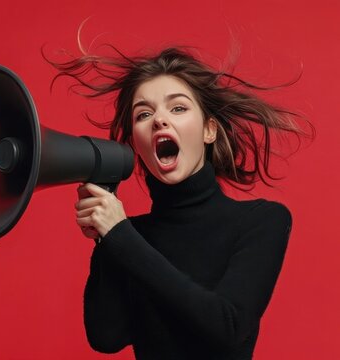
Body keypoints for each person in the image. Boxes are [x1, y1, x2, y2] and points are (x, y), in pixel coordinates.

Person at [47, 46, 313, 359]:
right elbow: (106, 336)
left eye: (178, 108)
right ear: (136, 144)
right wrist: (106, 241)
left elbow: (227, 330)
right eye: (144, 114)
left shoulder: (262, 220)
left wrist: (121, 236)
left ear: (209, 130)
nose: (159, 120)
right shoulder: (129, 235)